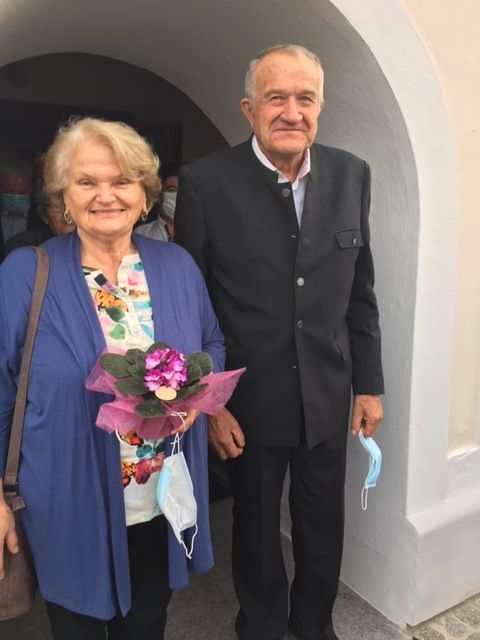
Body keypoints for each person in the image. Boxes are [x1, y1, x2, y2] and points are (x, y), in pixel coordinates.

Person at [175, 44, 384, 640]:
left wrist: (369, 385)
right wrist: (209, 404)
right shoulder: (205, 183)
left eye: (305, 98)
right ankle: (262, 625)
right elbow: (190, 304)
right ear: (249, 109)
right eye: (276, 98)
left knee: (323, 522)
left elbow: (360, 291)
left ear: (320, 106)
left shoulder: (352, 173)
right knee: (257, 526)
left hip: (328, 392)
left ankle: (314, 625)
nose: (292, 112)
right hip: (247, 399)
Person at [0, 117, 224, 640]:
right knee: (76, 626)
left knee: (147, 622)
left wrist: (195, 399)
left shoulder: (177, 265)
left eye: (122, 181)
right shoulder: (25, 273)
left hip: (159, 495)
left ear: (145, 194)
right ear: (64, 195)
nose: (106, 195)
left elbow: (213, 345)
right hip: (67, 498)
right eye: (87, 181)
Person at [4, 193, 75, 255]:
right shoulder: (21, 247)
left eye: (72, 204)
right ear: (45, 216)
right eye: (57, 206)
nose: (66, 213)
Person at [0, 159, 35, 260]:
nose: (15, 198)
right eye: (10, 192)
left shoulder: (40, 220)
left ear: (30, 191)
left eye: (21, 192)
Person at [136, 163, 179, 241]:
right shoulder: (141, 234)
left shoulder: (199, 231)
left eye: (181, 190)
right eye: (172, 190)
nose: (177, 195)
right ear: (158, 196)